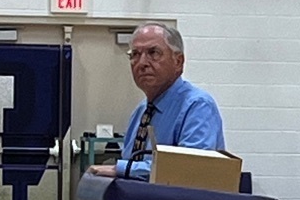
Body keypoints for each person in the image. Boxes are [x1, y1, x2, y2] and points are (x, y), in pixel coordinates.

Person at [88, 22, 225, 181]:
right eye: (135, 54)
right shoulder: (141, 112)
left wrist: (120, 169)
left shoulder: (198, 107)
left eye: (153, 53)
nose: (142, 63)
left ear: (178, 61)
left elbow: (189, 169)